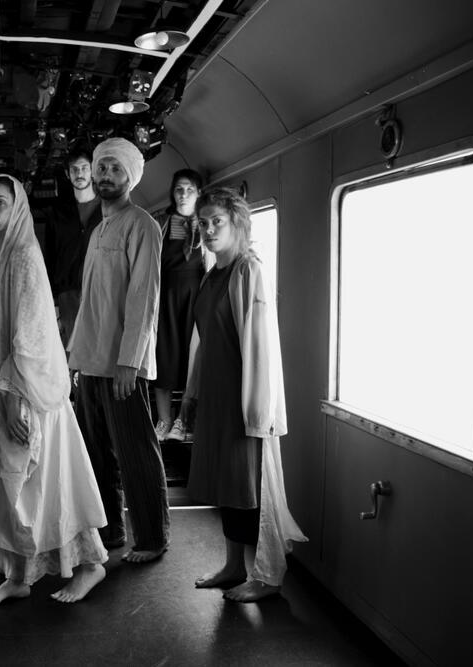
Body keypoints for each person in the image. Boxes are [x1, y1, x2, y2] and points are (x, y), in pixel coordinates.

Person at [0, 173, 109, 608]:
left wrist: (14, 398)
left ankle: (89, 564)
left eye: (0, 202)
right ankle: (18, 575)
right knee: (8, 487)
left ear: (16, 207)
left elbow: (32, 333)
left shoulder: (24, 256)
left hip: (22, 388)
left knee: (49, 480)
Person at [180, 187, 306, 602]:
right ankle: (234, 565)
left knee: (252, 488)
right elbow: (204, 340)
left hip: (243, 398)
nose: (209, 229)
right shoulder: (212, 274)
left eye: (217, 221)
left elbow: (260, 345)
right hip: (215, 395)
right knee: (227, 487)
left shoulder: (248, 270)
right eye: (203, 223)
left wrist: (258, 411)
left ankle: (268, 575)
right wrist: (192, 393)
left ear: (236, 223)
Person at [69, 137, 170, 564]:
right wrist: (74, 358)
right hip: (91, 362)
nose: (105, 175)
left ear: (131, 177)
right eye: (101, 168)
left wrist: (130, 360)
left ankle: (152, 538)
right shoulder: (98, 230)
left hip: (122, 365)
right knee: (97, 454)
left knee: (136, 452)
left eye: (115, 169)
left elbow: (144, 297)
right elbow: (91, 301)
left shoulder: (142, 224)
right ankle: (110, 531)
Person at [153, 169, 209, 442]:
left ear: (198, 194)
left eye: (189, 190)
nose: (183, 195)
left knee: (192, 359)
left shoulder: (206, 224)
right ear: (172, 193)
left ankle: (183, 421)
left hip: (195, 298)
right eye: (179, 189)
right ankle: (164, 420)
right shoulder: (161, 223)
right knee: (162, 358)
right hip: (165, 298)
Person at [44, 148, 102, 347]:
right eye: (74, 169)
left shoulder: (108, 210)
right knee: (72, 353)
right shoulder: (56, 213)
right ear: (68, 174)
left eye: (84, 168)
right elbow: (50, 258)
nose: (79, 173)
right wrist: (53, 300)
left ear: (92, 170)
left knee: (101, 351)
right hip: (68, 294)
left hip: (101, 290)